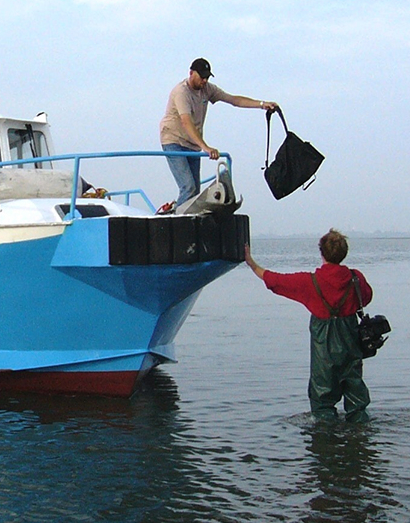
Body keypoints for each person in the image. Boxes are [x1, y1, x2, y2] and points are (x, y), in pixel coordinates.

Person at [243, 229, 374, 422]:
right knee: (356, 398)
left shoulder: (310, 282)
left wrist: (251, 263)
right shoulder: (356, 278)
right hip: (350, 346)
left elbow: (274, 280)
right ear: (344, 253)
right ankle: (359, 441)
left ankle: (325, 444)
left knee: (322, 402)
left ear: (321, 253)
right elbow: (367, 297)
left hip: (324, 352)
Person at [158, 57, 279, 209]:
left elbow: (234, 100)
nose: (204, 80)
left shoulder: (208, 89)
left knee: (195, 191)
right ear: (191, 73)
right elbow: (186, 122)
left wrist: (261, 104)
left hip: (192, 143)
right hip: (173, 140)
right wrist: (206, 147)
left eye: (207, 77)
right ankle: (175, 223)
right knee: (188, 187)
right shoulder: (181, 92)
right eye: (201, 76)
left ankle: (185, 218)